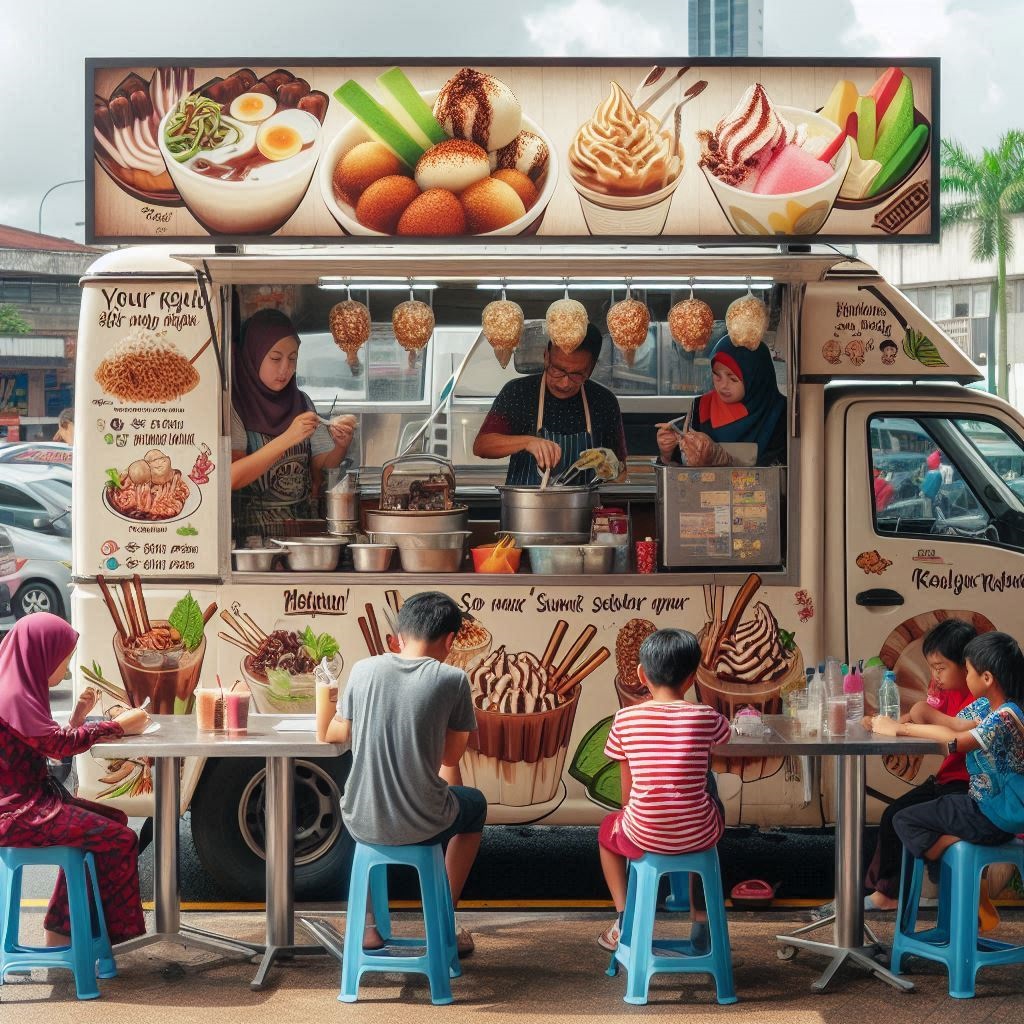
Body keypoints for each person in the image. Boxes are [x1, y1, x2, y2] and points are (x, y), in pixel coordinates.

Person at [323, 592, 485, 956]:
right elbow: (449, 756)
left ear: (399, 635)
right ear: (449, 640)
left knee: (365, 804)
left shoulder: (363, 670)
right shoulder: (453, 679)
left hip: (360, 818)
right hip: (422, 821)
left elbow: (340, 732)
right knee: (474, 804)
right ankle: (445, 918)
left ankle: (365, 928)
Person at [812, 619, 980, 921]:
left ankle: (932, 871)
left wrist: (909, 722)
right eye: (931, 668)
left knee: (902, 819)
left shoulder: (978, 700)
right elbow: (920, 718)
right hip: (948, 778)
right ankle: (886, 893)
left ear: (967, 665)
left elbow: (954, 735)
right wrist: (888, 724)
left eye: (941, 668)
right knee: (893, 816)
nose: (935, 676)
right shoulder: (943, 688)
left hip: (969, 785)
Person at [0, 613, 150, 946]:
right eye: (64, 659)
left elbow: (42, 742)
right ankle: (90, 938)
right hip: (18, 814)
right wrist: (119, 726)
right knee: (119, 838)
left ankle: (64, 930)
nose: (66, 669)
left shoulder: (14, 684)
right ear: (42, 654)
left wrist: (77, 720)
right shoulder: (12, 695)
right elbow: (57, 745)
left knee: (113, 820)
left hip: (25, 804)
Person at [869, 632, 1024, 921]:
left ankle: (950, 859)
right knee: (909, 816)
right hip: (982, 807)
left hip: (994, 816)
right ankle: (958, 897)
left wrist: (901, 730)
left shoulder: (1007, 716)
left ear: (987, 678)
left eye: (968, 671)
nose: (966, 678)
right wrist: (919, 712)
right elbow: (953, 723)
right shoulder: (985, 706)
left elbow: (955, 740)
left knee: (903, 819)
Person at [596, 629, 731, 953]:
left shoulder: (625, 719)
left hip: (643, 832)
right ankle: (700, 919)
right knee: (706, 785)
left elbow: (627, 794)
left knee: (605, 833)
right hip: (699, 832)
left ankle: (624, 916)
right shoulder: (705, 717)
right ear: (692, 678)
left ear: (642, 674)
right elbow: (726, 739)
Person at [230, 309, 356, 541]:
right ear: (253, 356)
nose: (285, 369)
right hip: (252, 538)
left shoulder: (301, 401)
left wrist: (340, 445)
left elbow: (323, 464)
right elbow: (232, 477)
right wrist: (288, 438)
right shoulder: (236, 408)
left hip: (302, 533)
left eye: (293, 358)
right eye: (276, 358)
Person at [472, 324, 627, 485]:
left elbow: (621, 474)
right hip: (525, 507)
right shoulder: (518, 392)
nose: (565, 383)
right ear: (546, 356)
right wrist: (528, 442)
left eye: (577, 374)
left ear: (592, 367)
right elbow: (482, 445)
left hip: (583, 508)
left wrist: (615, 468)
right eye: (558, 370)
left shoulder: (604, 401)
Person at [657, 336, 786, 468]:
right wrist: (667, 453)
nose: (723, 385)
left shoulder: (781, 413)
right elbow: (678, 467)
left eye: (733, 379)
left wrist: (718, 458)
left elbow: (785, 470)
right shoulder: (702, 407)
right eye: (717, 376)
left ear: (756, 378)